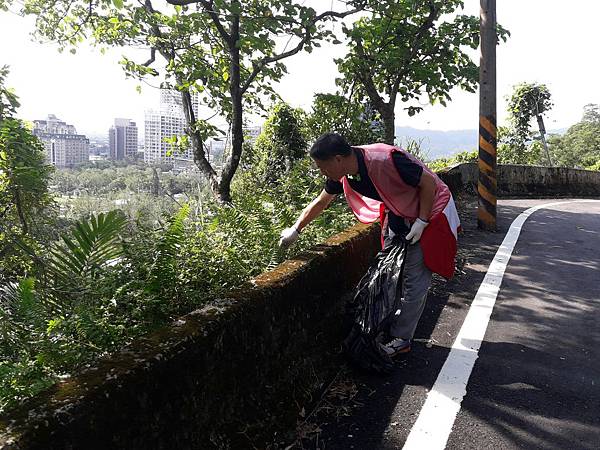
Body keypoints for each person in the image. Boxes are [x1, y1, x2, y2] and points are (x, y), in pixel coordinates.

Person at [279, 132, 460, 357]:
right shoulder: (345, 172)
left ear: (337, 159)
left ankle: (402, 338)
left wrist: (422, 221)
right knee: (391, 272)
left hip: (430, 210)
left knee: (415, 279)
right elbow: (322, 201)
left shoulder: (384, 160)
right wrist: (296, 229)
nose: (321, 172)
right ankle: (388, 323)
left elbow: (428, 183)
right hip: (400, 212)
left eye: (322, 166)